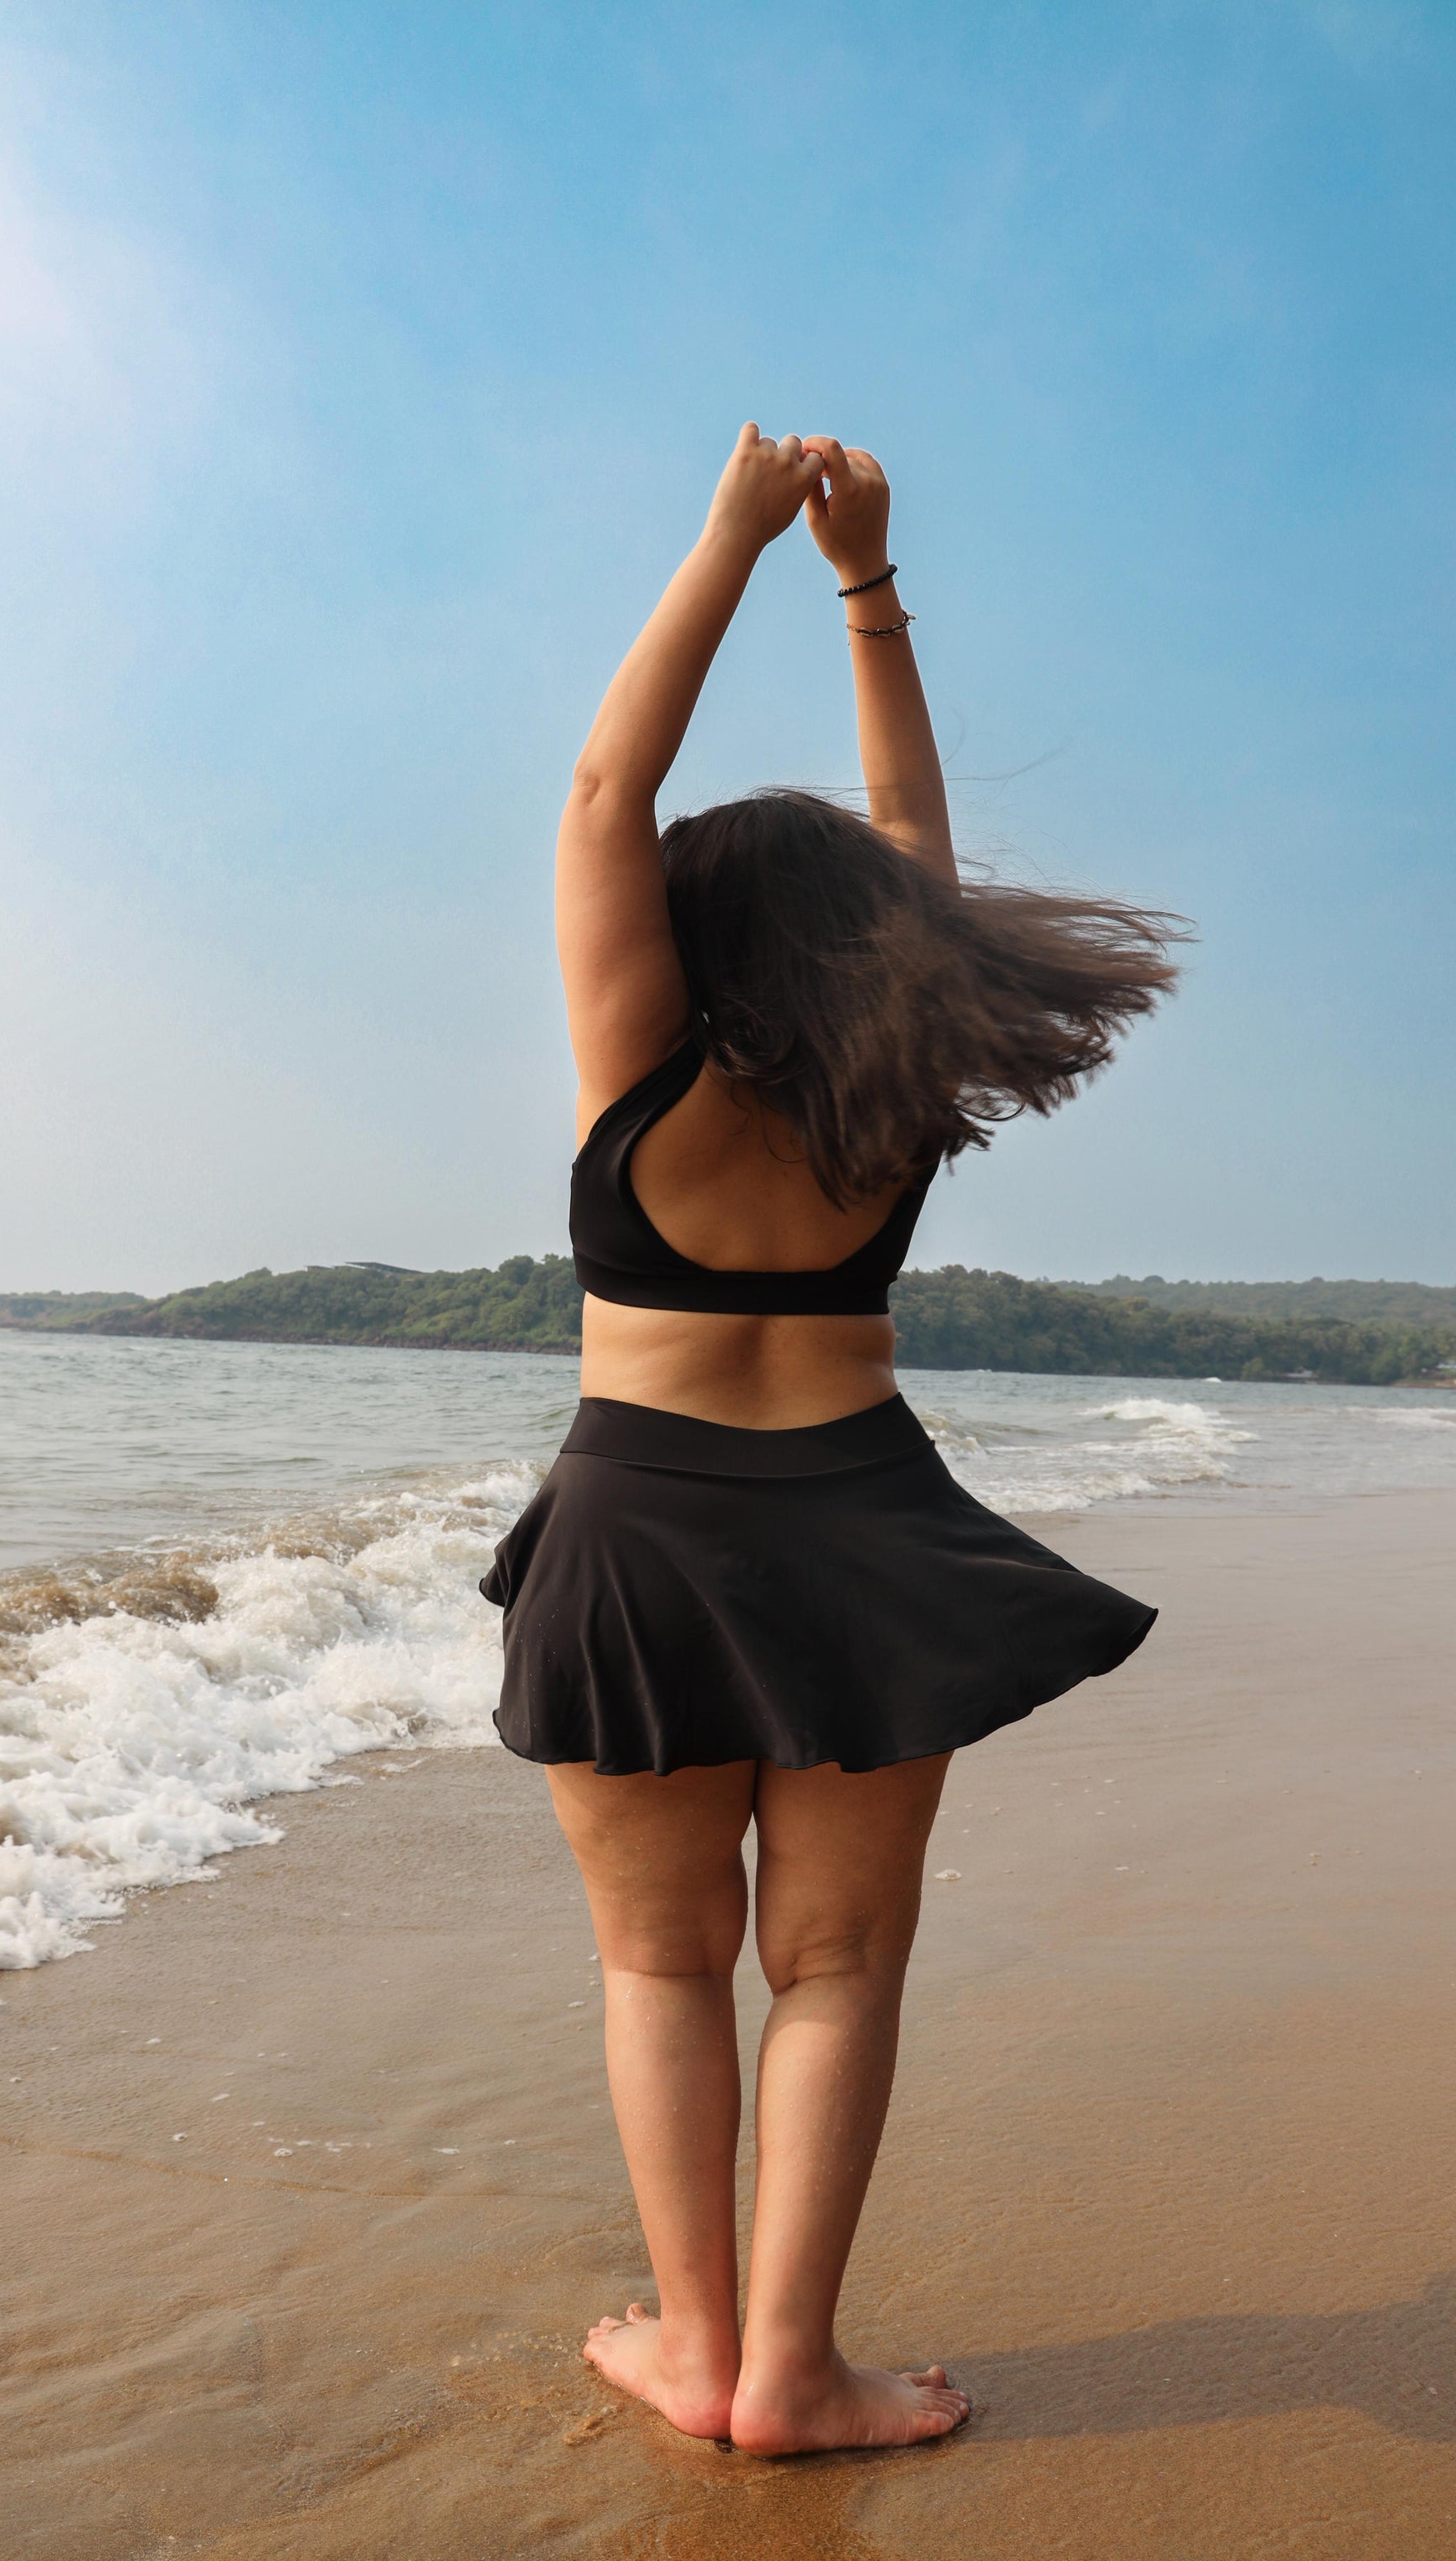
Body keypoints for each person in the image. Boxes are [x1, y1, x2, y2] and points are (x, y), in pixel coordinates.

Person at [481, 425, 1179, 2455]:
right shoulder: (893, 1094)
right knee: (838, 1969)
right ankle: (796, 2373)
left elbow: (608, 787)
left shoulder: (642, 1062)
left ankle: (696, 2353)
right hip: (867, 1527)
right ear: (875, 948)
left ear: (694, 936)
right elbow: (912, 847)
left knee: (659, 1966)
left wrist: (727, 538)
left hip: (636, 1526)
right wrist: (868, 590)